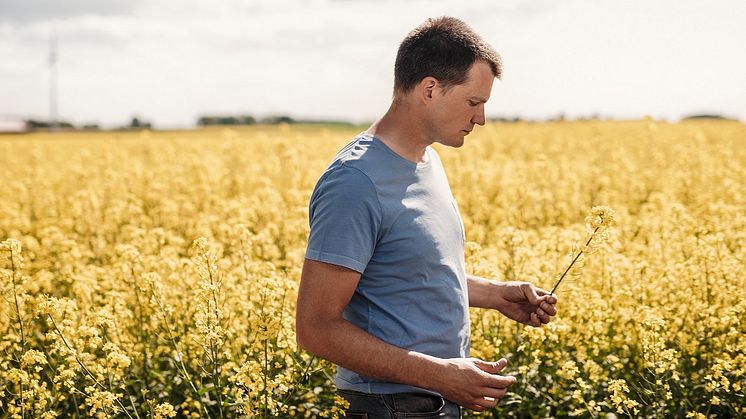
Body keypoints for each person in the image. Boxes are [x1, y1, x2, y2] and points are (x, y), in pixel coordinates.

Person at [295, 16, 558, 418]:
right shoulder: (355, 181)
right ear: (430, 89)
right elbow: (315, 327)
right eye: (474, 102)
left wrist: (494, 294)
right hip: (392, 407)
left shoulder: (426, 160)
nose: (481, 119)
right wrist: (442, 376)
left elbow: (403, 269)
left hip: (432, 403)